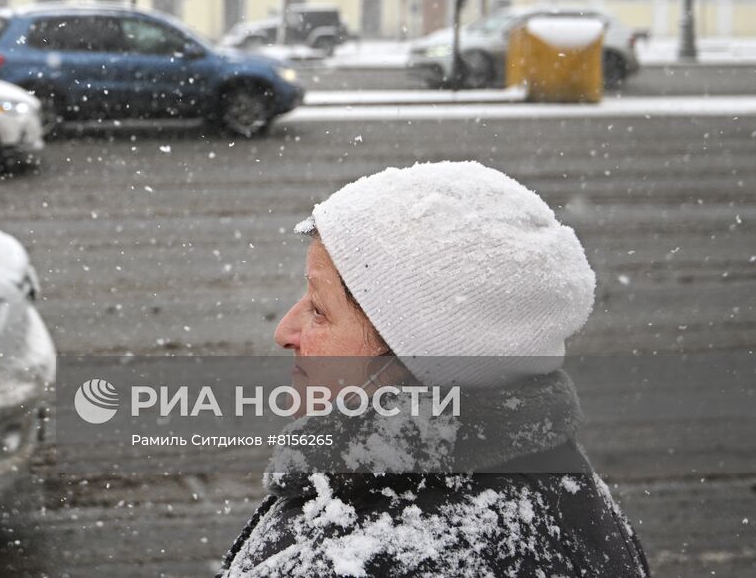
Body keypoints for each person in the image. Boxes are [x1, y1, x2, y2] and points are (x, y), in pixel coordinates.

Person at [220, 161, 650, 577]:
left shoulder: (374, 554)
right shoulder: (554, 483)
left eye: (318, 309)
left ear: (417, 356)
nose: (285, 331)